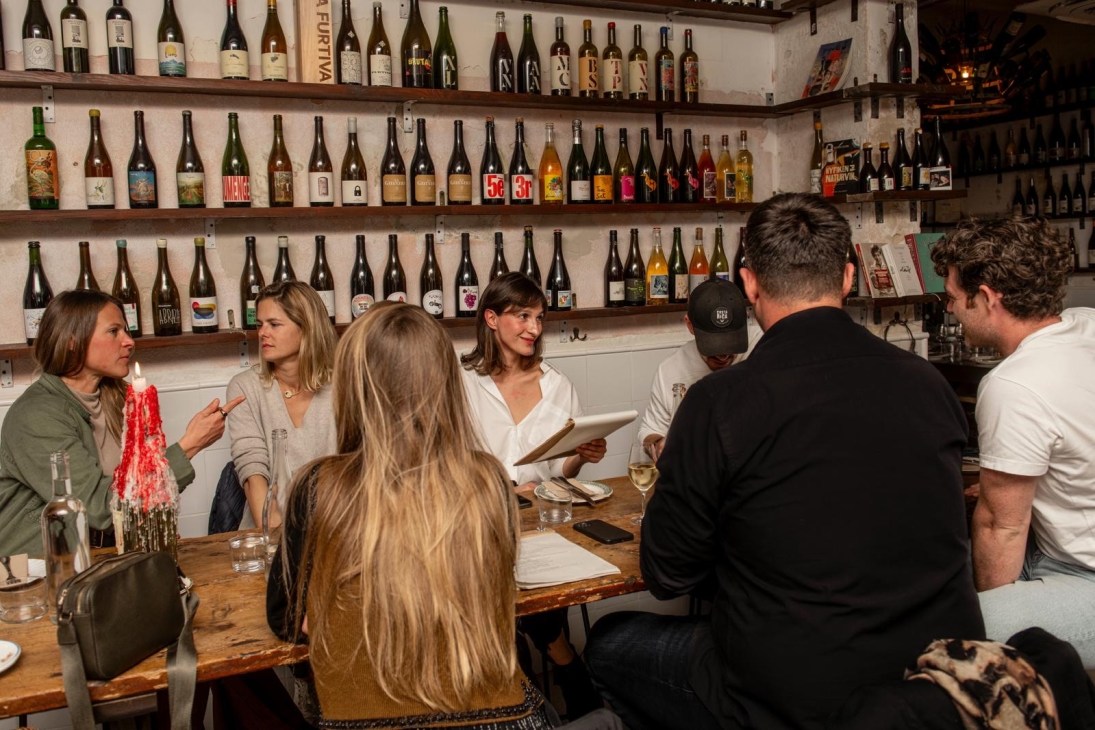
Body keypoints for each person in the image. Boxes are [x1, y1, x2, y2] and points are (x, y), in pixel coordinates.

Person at [585, 193, 985, 730]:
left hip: (795, 696)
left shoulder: (721, 402)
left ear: (749, 284)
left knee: (611, 642)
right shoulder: (928, 386)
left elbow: (667, 572)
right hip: (938, 679)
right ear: (848, 278)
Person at [266, 302, 554, 728]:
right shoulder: (488, 479)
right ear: (445, 384)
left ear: (355, 387)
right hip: (494, 715)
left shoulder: (317, 486)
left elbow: (286, 617)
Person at [930, 215, 1095, 667]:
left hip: (1085, 578)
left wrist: (993, 645)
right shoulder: (1086, 323)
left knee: (946, 635)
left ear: (985, 298)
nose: (949, 310)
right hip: (1062, 553)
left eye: (952, 298)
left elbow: (1001, 528)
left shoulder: (1014, 384)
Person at [460, 272, 606, 719]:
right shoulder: (463, 382)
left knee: (525, 576)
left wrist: (580, 456)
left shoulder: (558, 386)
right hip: (477, 521)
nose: (533, 328)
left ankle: (524, 683)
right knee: (489, 577)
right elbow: (448, 460)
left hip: (542, 523)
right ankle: (560, 661)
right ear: (490, 318)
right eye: (521, 316)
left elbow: (559, 470)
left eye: (539, 318)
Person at [0, 290, 243, 557]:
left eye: (126, 331)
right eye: (114, 331)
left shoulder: (118, 398)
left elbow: (144, 492)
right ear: (71, 341)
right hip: (36, 573)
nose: (128, 341)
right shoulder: (36, 417)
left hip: (102, 558)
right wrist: (189, 446)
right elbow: (102, 507)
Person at [226, 281, 337, 529]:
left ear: (307, 328)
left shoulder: (343, 386)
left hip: (332, 530)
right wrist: (274, 539)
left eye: (274, 324)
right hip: (268, 531)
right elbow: (252, 470)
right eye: (260, 325)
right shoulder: (245, 388)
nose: (262, 333)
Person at [637, 279, 756, 460]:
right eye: (713, 346)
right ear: (690, 325)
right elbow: (650, 431)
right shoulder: (671, 370)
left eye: (731, 343)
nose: (723, 355)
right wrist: (659, 444)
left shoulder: (762, 349)